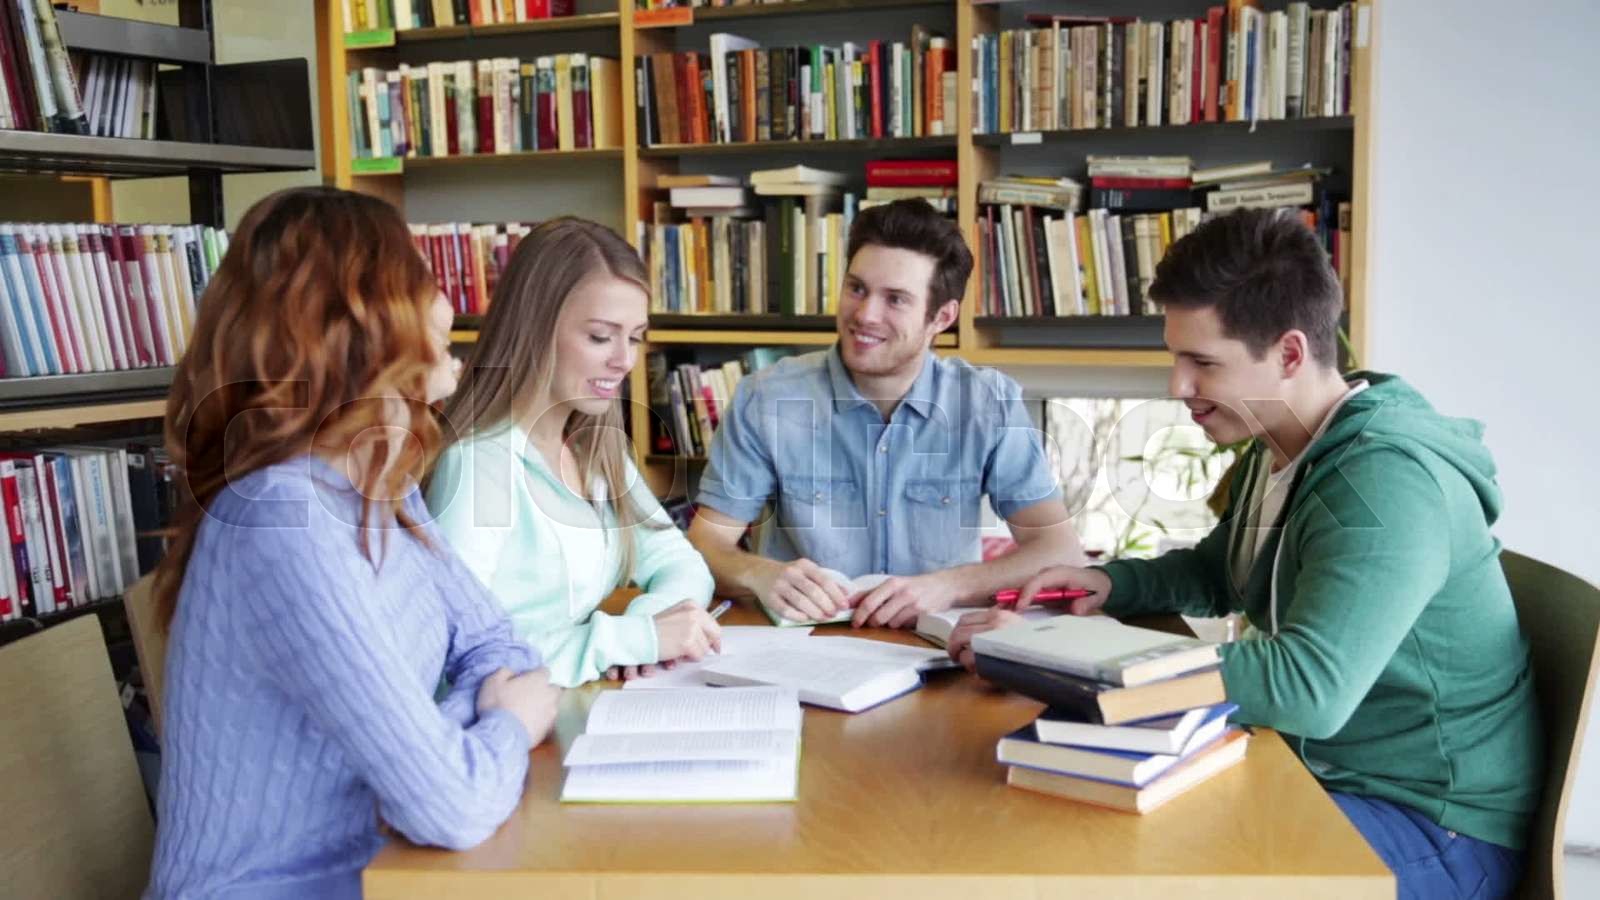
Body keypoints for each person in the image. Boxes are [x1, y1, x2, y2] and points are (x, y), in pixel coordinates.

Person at [948, 208, 1541, 900]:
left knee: (1136, 869)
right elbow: (1220, 572)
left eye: (1203, 363)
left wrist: (1056, 656)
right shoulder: (1281, 443)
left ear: (1289, 355)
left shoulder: (1387, 480)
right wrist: (1105, 584)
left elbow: (1309, 687)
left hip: (1432, 824)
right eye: (1176, 357)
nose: (1178, 387)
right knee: (1076, 826)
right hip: (1324, 774)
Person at [145, 188, 559, 899]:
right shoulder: (280, 523)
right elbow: (453, 805)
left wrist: (439, 752)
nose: (442, 294)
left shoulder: (382, 491)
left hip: (380, 869)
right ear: (363, 318)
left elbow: (501, 647)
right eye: (416, 272)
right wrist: (503, 727)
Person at [687, 199, 1085, 628]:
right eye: (857, 288)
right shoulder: (765, 399)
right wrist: (757, 573)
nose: (865, 315)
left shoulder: (988, 404)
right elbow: (706, 543)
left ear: (941, 317)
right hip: (802, 642)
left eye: (895, 299)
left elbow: (1059, 550)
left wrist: (949, 586)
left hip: (935, 644)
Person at [426, 218, 719, 688]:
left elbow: (681, 564)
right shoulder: (480, 464)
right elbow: (456, 652)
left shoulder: (595, 450)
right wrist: (626, 641)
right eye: (601, 336)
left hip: (574, 701)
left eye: (635, 337)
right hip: (504, 720)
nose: (624, 360)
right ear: (535, 330)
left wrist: (645, 627)